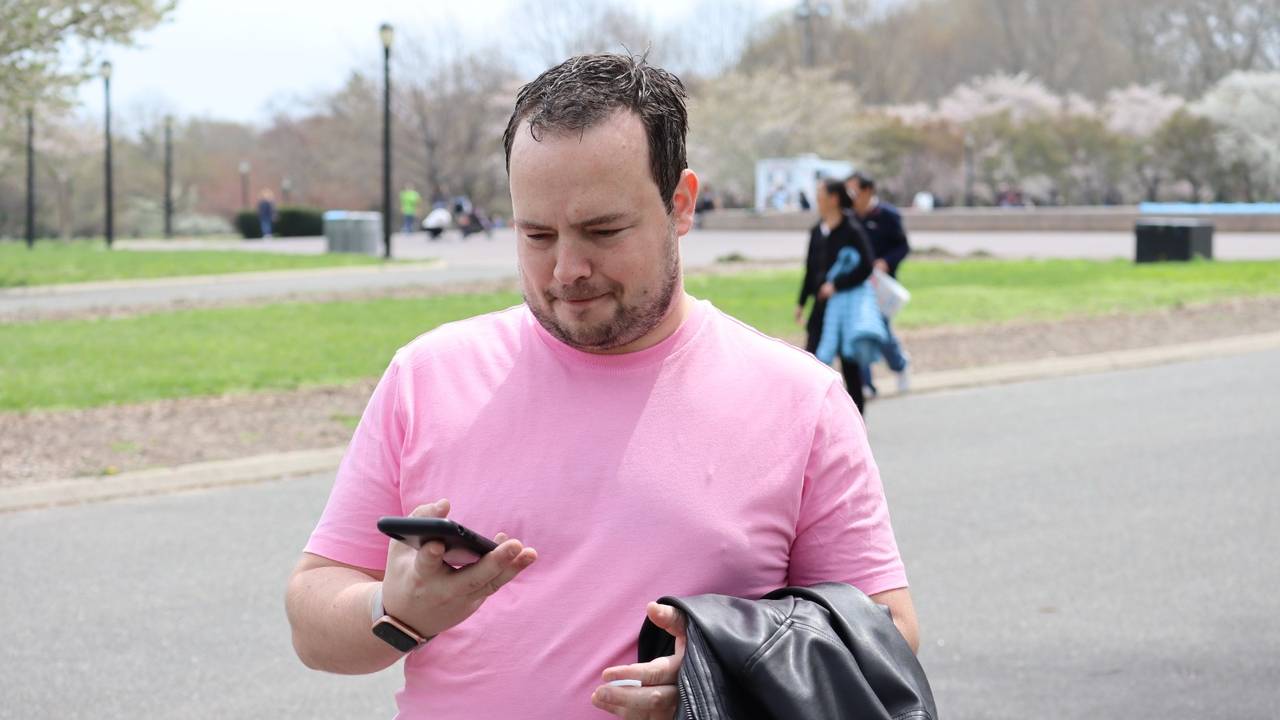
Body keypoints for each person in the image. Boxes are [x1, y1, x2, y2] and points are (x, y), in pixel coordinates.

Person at [285, 53, 917, 720]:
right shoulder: (427, 375)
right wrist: (394, 612)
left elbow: (888, 632)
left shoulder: (802, 401)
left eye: (602, 231)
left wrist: (723, 681)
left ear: (680, 203)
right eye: (536, 234)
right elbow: (312, 616)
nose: (567, 269)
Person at [796, 179, 878, 412]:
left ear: (833, 198)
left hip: (844, 308)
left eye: (820, 194)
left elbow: (866, 266)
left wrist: (837, 285)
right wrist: (801, 302)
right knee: (811, 362)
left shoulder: (852, 230)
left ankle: (856, 423)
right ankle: (813, 419)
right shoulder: (816, 231)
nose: (817, 199)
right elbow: (810, 270)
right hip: (821, 308)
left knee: (850, 367)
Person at [847, 172, 911, 395]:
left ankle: (900, 364)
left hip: (881, 286)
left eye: (853, 191)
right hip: (856, 284)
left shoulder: (888, 216)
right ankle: (866, 383)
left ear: (867, 191)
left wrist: (886, 262)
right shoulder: (849, 218)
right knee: (859, 331)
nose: (849, 196)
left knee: (881, 331)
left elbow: (903, 247)